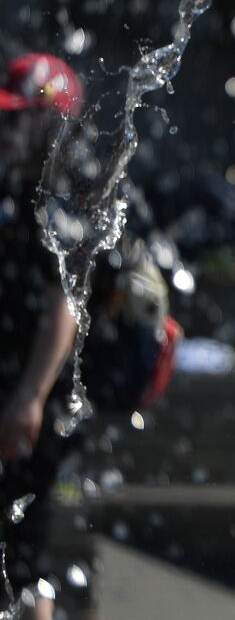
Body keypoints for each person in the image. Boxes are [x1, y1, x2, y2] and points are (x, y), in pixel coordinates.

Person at [0, 53, 84, 620]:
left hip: (40, 401)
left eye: (18, 117)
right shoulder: (25, 187)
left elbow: (66, 301)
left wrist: (30, 395)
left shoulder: (62, 193)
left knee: (28, 546)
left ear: (51, 120)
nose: (7, 130)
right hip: (21, 392)